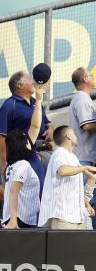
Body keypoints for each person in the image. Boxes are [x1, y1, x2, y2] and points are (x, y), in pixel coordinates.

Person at [2, 84, 46, 229]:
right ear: (24, 145)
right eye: (26, 140)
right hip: (21, 220)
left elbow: (35, 126)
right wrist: (13, 221)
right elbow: (14, 191)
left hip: (17, 217)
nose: (30, 141)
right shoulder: (23, 165)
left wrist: (38, 101)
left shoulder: (13, 164)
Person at [38, 126, 96, 229]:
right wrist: (84, 167)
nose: (76, 136)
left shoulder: (73, 157)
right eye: (74, 134)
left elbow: (75, 190)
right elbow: (63, 171)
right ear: (68, 136)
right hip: (63, 217)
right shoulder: (59, 153)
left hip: (77, 217)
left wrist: (87, 204)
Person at [0, 68, 53, 176]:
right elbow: (2, 137)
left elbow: (47, 123)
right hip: (24, 157)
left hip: (43, 152)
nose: (33, 81)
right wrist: (4, 165)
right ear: (20, 85)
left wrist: (51, 129)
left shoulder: (36, 102)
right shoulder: (9, 106)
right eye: (29, 78)